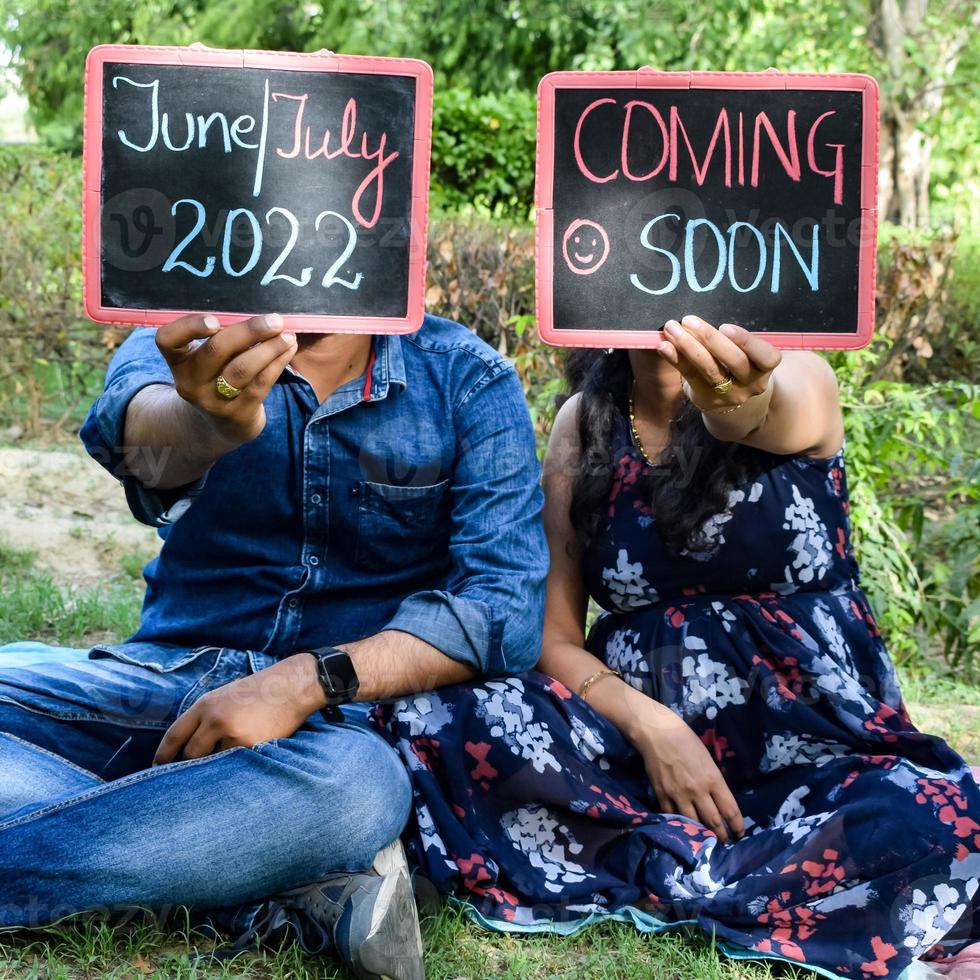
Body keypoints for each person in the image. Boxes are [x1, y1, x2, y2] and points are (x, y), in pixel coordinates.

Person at [376, 316, 980, 979]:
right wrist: (656, 729)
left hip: (817, 750)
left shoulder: (800, 376)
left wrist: (734, 401)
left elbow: (754, 410)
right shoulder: (585, 422)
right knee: (442, 712)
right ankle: (741, 874)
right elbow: (550, 637)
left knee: (929, 812)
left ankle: (680, 869)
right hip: (642, 762)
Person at [0, 312, 548, 980]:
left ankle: (213, 852)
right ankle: (272, 883)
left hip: (328, 734)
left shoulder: (468, 376)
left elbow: (505, 608)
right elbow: (135, 438)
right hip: (160, 684)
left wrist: (302, 682)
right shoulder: (182, 334)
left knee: (360, 791)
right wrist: (205, 422)